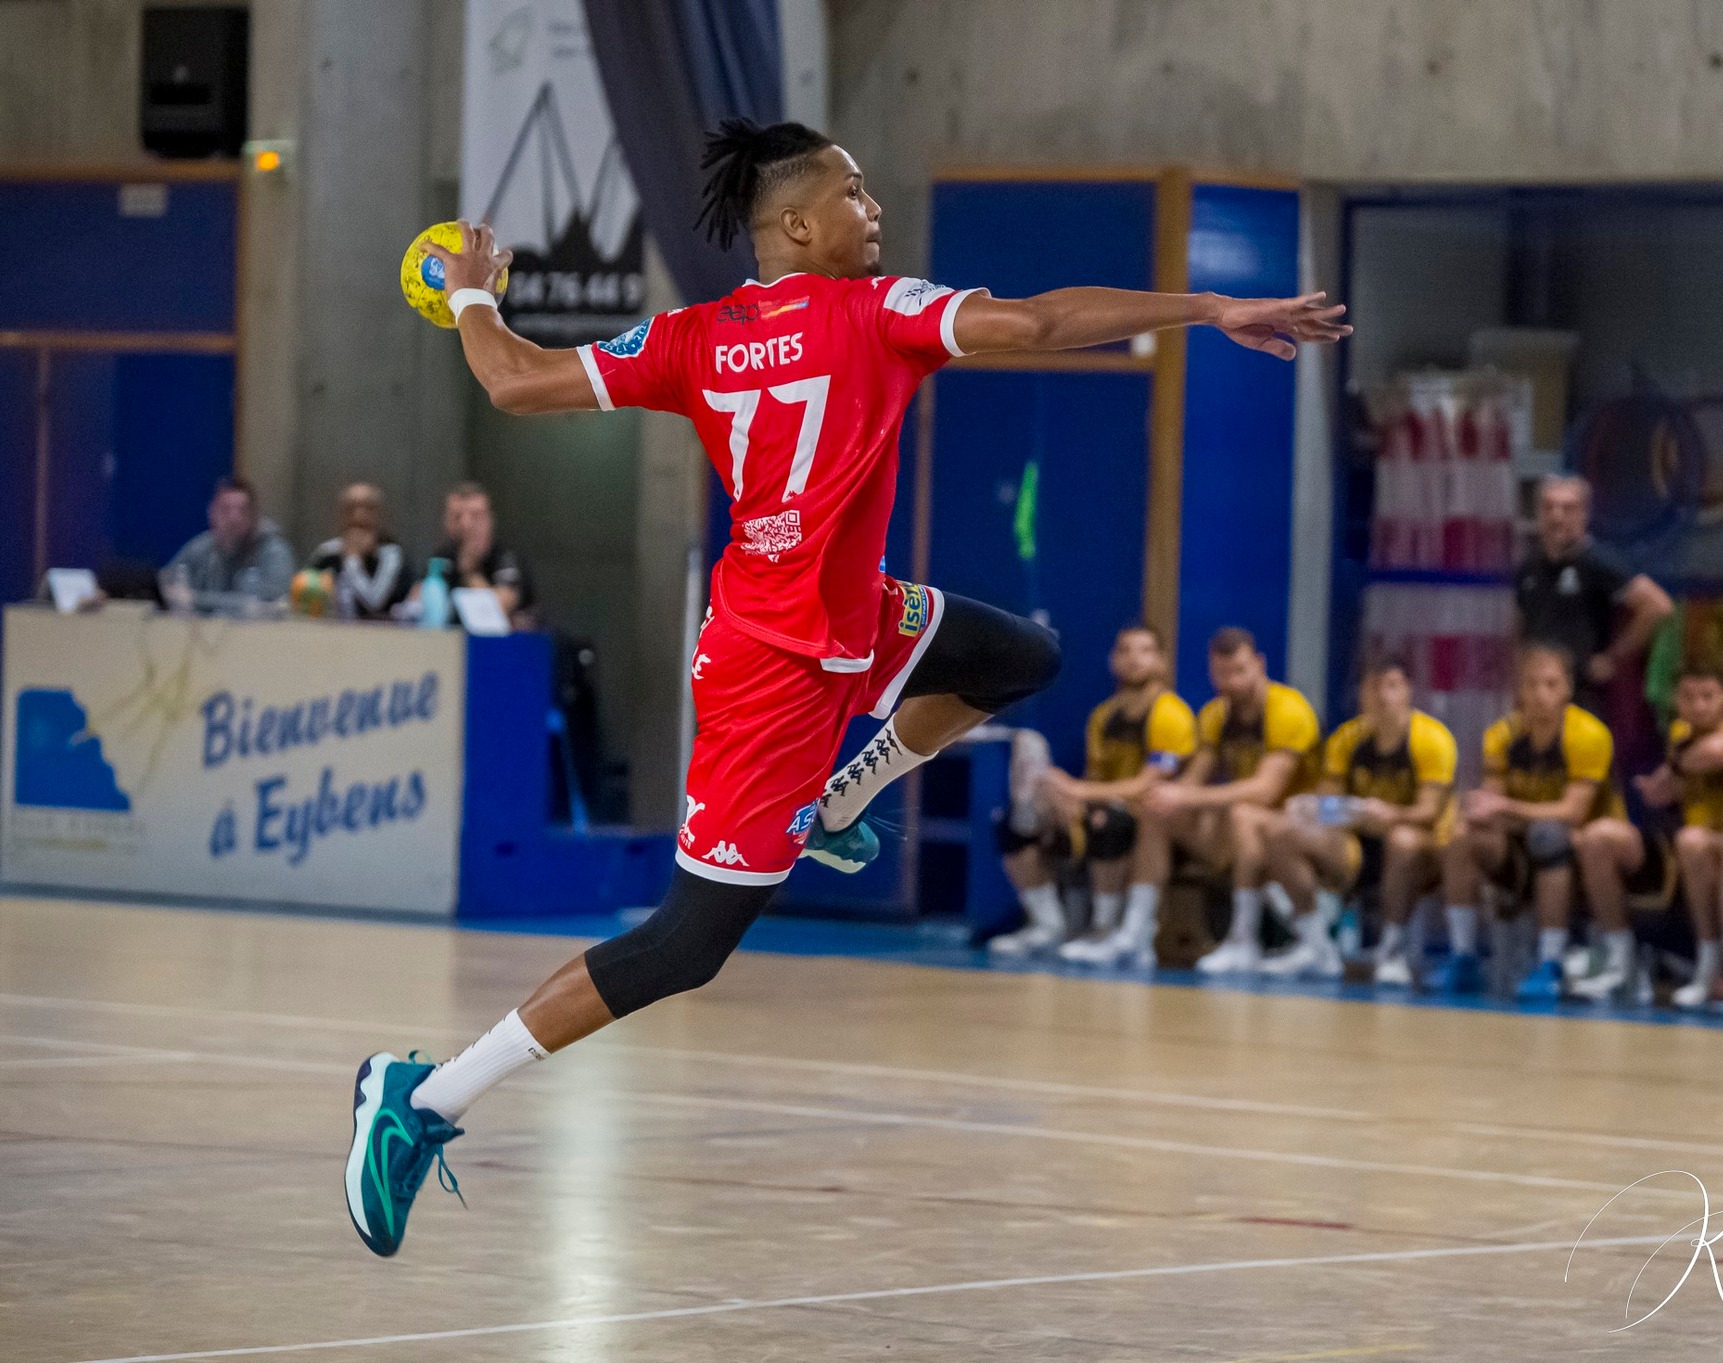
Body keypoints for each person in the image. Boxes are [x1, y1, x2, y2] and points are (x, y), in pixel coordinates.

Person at [343, 118, 1348, 1257]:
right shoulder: (881, 310)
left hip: (850, 620)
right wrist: (1210, 310)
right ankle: (419, 1099)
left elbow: (515, 381)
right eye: (854, 192)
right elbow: (1040, 322)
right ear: (798, 226)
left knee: (1018, 656)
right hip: (768, 674)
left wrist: (472, 297)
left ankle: (837, 802)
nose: (873, 209)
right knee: (684, 947)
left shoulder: (693, 335)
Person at [1060, 627, 1321, 972]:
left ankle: (1246, 939)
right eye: (1220, 673)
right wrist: (1173, 796)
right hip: (1237, 830)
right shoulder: (1212, 714)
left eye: (1239, 671)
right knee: (1159, 808)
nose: (1230, 681)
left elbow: (1264, 791)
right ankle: (1134, 935)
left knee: (1243, 812)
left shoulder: (1286, 709)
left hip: (1297, 827)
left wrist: (1081, 791)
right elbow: (1191, 779)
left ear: (1260, 664)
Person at [1439, 643, 1637, 1001]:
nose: (1540, 695)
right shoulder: (1501, 736)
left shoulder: (1587, 734)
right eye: (1531, 685)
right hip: (1522, 839)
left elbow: (1573, 812)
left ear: (1568, 689)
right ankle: (1464, 956)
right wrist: (1480, 812)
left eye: (1550, 684)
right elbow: (1492, 808)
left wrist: (1507, 808)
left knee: (1551, 836)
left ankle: (1551, 962)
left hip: (1590, 844)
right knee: (1464, 837)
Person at [987, 623, 1197, 956]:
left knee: (1107, 822)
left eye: (1144, 651)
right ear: (1113, 660)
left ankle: (1105, 927)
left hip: (1151, 816)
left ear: (1162, 662)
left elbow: (1150, 784)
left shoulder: (1171, 714)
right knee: (1012, 822)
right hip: (1106, 801)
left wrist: (1078, 792)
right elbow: (1095, 778)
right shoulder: (1103, 717)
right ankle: (1047, 924)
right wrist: (1065, 801)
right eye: (1125, 650)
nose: (1134, 659)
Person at [1261, 656, 1456, 984]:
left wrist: (1391, 815)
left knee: (1402, 839)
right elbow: (1327, 805)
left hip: (1422, 850)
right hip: (1359, 841)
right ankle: (1316, 946)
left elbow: (1430, 811)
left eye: (1392, 686)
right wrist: (1352, 812)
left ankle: (1392, 950)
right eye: (1374, 687)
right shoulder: (1346, 740)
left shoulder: (1432, 738)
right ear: (1362, 694)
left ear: (1408, 691)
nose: (1383, 697)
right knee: (1282, 832)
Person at [1633, 662, 1723, 1010]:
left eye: (1708, 696)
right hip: (1706, 838)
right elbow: (1683, 781)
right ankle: (1707, 962)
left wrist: (1673, 765)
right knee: (1690, 841)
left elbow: (1716, 753)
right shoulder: (1680, 734)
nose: (1698, 706)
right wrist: (1659, 790)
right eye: (1688, 697)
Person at [1513, 474, 1673, 709]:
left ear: (1583, 514)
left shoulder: (1598, 562)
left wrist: (1613, 658)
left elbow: (1658, 606)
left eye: (1568, 508)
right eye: (1549, 507)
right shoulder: (1528, 566)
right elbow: (1519, 626)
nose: (1557, 517)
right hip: (1535, 694)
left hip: (1582, 694)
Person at [161, 477, 295, 614]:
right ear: (211, 513)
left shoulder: (274, 552)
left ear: (255, 517)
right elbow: (166, 585)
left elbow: (265, 603)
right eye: (225, 510)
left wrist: (195, 599)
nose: (233, 519)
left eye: (242, 511)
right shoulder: (201, 547)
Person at [423, 482, 535, 628]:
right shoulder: (441, 557)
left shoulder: (506, 557)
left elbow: (496, 610)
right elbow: (418, 604)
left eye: (475, 516)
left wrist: (470, 572)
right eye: (457, 517)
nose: (466, 524)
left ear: (490, 520)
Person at [307, 483, 413, 620]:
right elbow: (303, 596)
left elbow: (375, 604)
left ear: (378, 514)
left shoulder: (392, 555)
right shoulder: (327, 554)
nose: (359, 515)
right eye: (351, 508)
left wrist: (352, 560)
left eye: (367, 508)